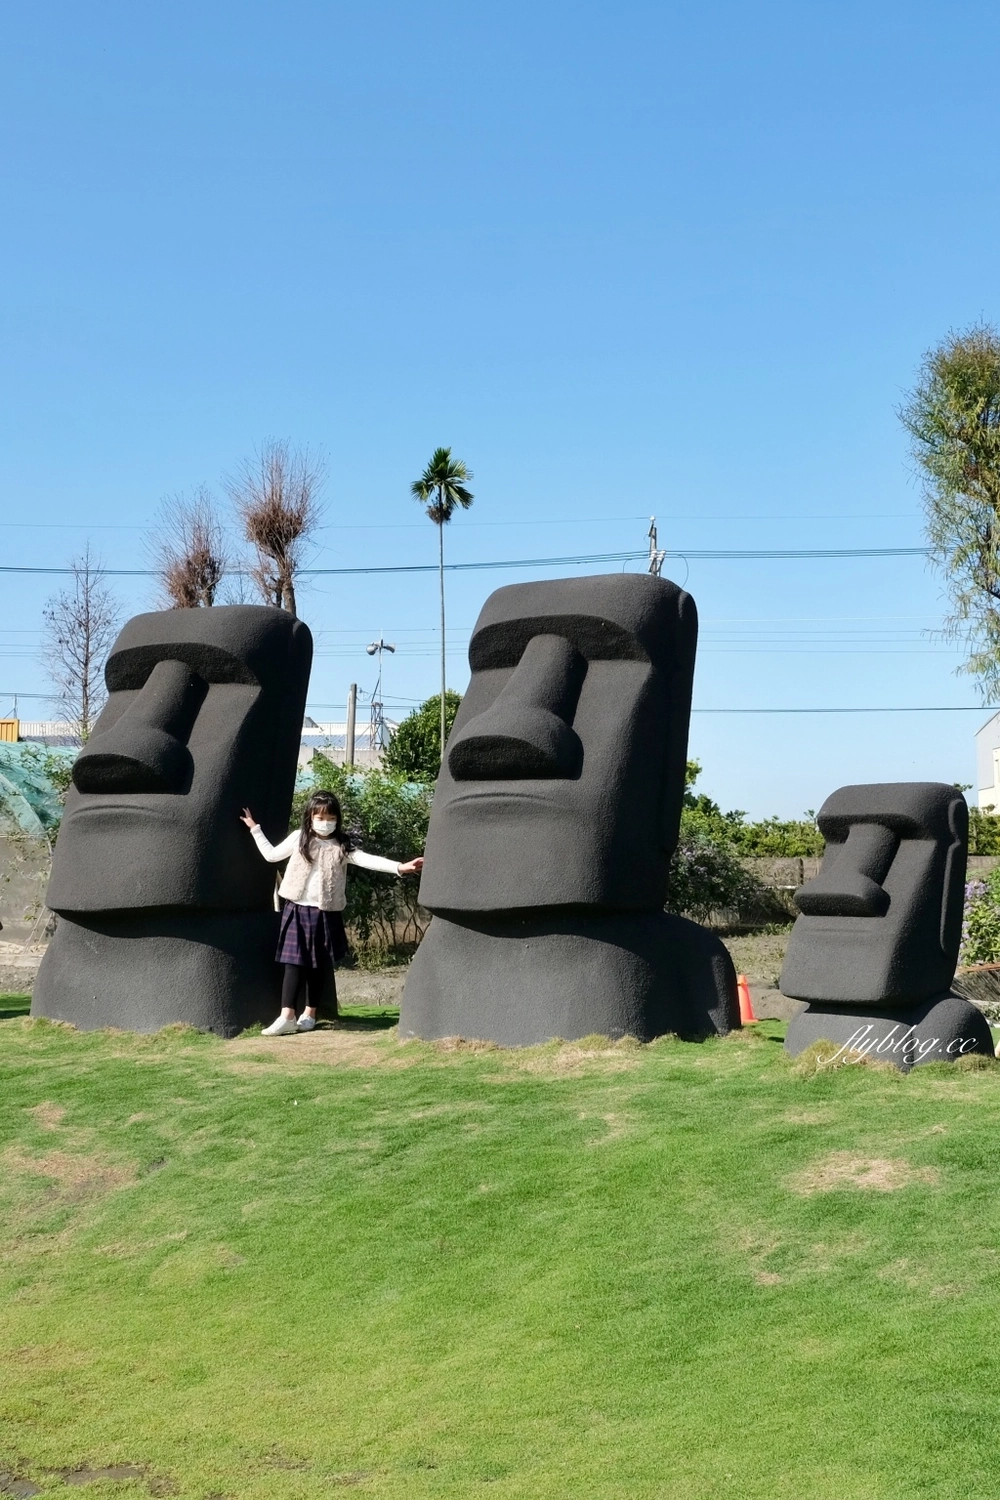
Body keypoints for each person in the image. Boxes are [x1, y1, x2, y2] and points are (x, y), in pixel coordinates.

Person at [240, 790, 423, 1036]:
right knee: (293, 964)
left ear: (337, 819)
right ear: (310, 816)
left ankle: (310, 1014)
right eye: (320, 816)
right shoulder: (300, 838)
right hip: (296, 909)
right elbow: (271, 855)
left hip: (324, 913)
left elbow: (369, 860)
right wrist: (255, 828)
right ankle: (287, 1016)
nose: (325, 821)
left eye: (331, 816)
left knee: (316, 966)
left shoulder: (342, 846)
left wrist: (400, 867)